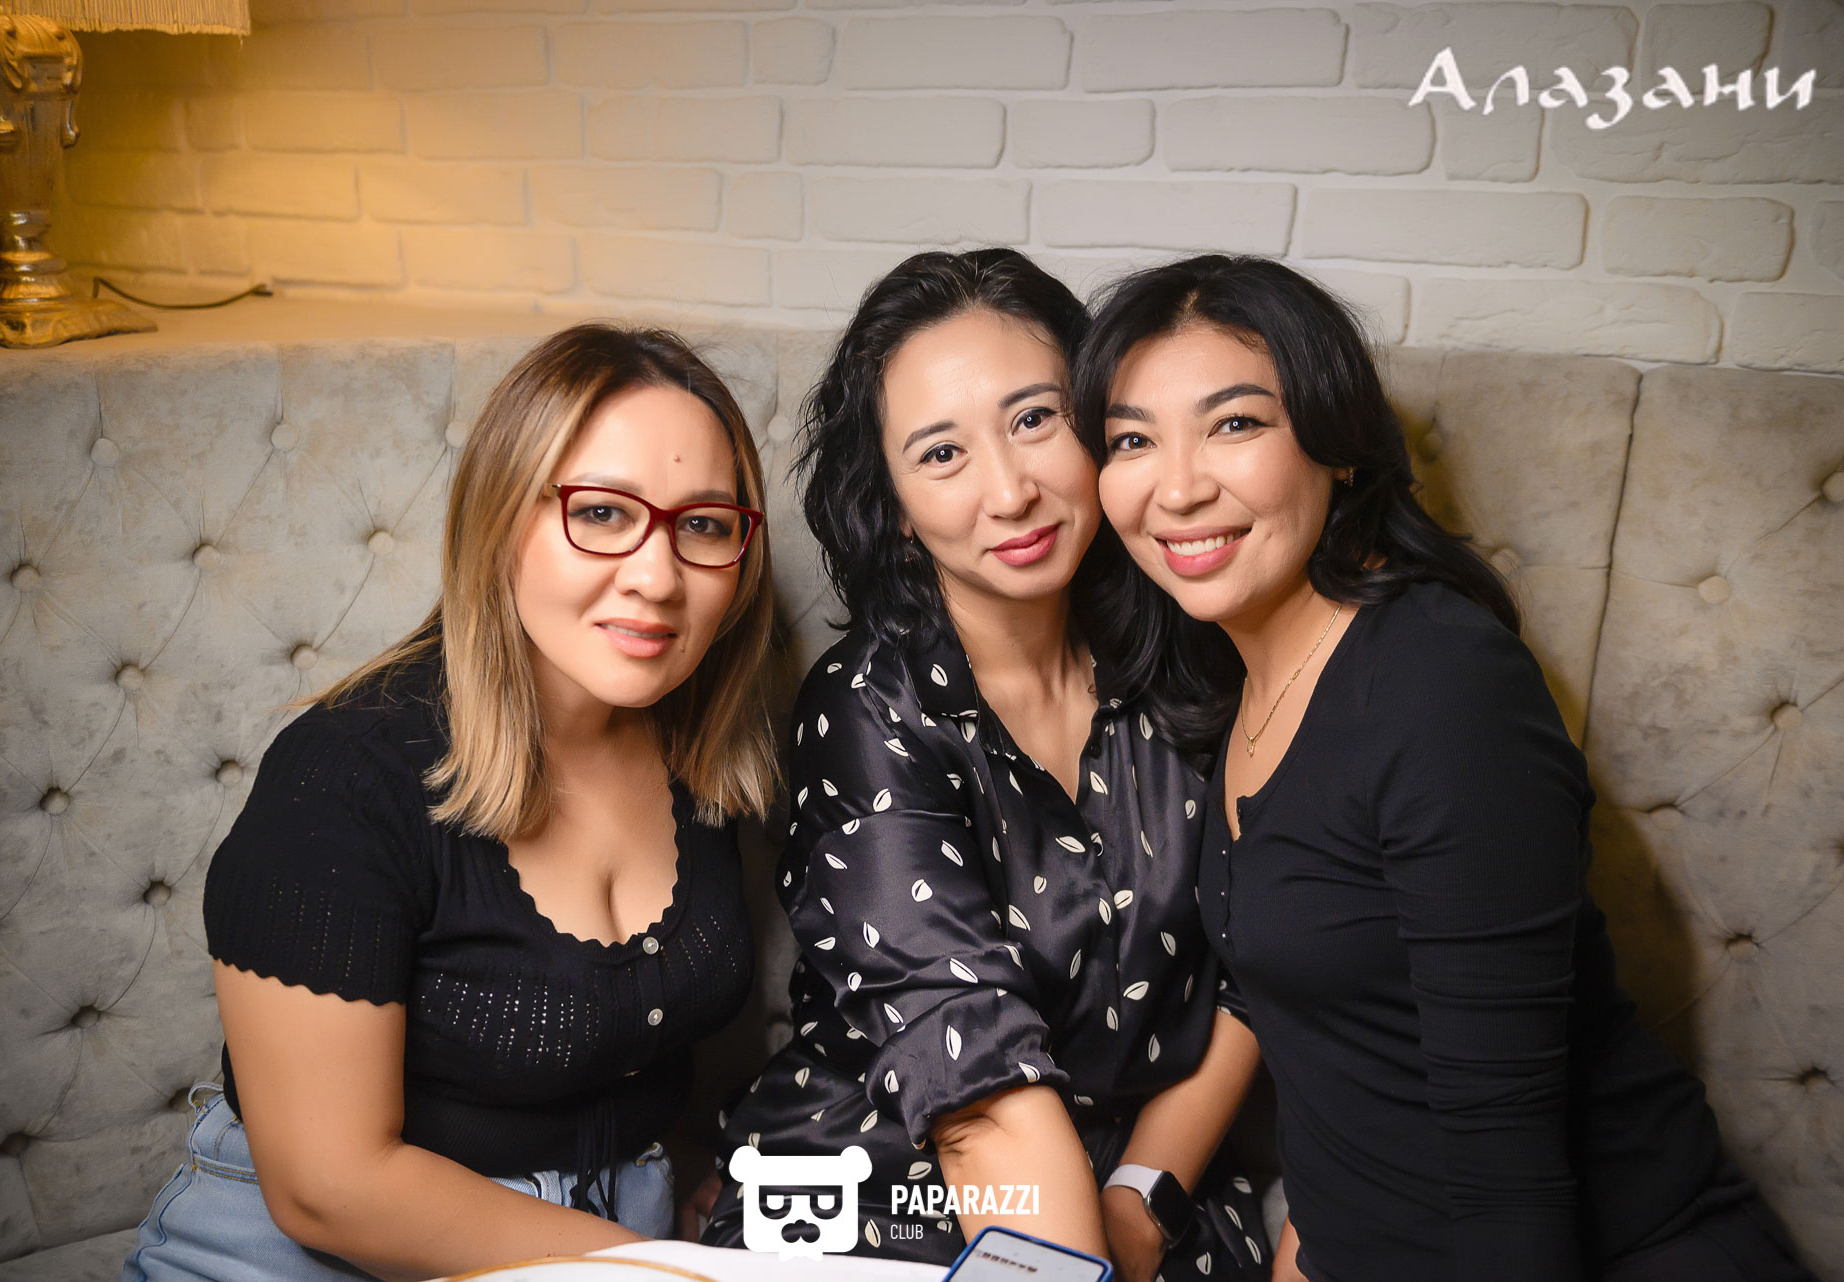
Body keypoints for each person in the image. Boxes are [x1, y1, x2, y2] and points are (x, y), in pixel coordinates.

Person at [1077, 253, 1817, 1282]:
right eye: (1132, 440)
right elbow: (1342, 1056)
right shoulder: (1237, 676)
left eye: (1234, 424)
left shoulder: (1445, 688)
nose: (1179, 486)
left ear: (1338, 448)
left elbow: (1505, 1174)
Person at [122, 325, 779, 1282]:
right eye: (601, 513)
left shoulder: (702, 754)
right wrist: (674, 1271)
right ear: (500, 517)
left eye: (705, 525)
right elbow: (329, 1188)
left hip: (610, 1246)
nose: (656, 576)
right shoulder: (343, 776)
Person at [701, 249, 1273, 1282]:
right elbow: (977, 1098)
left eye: (1035, 419)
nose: (1010, 492)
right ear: (892, 500)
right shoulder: (867, 707)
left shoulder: (1197, 644)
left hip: (1148, 1178)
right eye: (941, 453)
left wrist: (1139, 1205)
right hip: (888, 1187)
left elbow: (1259, 972)